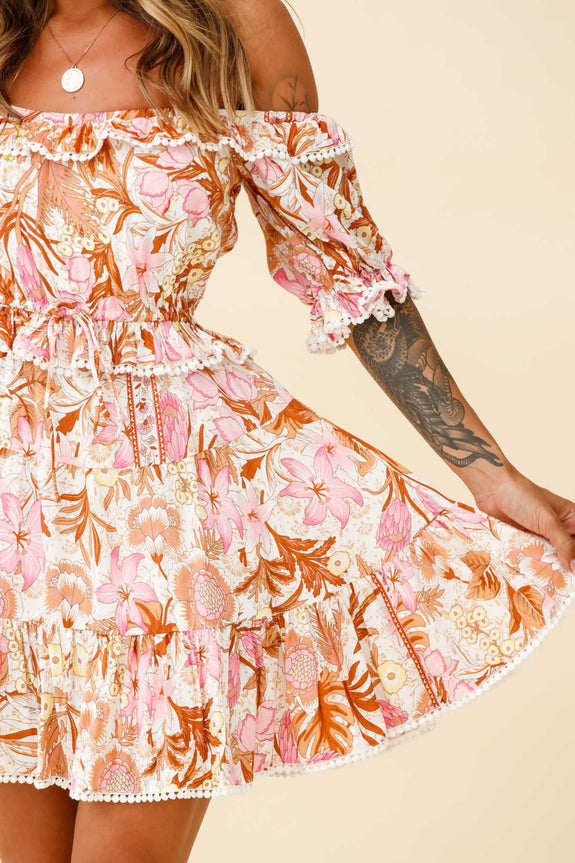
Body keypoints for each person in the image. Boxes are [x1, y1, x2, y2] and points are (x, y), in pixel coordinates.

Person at [0, 0, 572, 860]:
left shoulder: (233, 24)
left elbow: (343, 266)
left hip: (164, 509)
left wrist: (489, 474)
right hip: (15, 510)